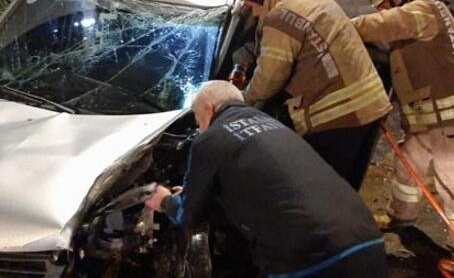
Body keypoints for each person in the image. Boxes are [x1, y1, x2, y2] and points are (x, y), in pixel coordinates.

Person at [144, 81, 386, 277]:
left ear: (209, 109)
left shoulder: (210, 139)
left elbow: (187, 215)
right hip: (368, 241)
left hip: (310, 257)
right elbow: (266, 189)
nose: (199, 129)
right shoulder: (275, 126)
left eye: (198, 121)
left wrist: (164, 201)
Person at [352, 0, 454, 248]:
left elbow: (385, 24)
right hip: (429, 117)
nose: (381, 12)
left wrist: (343, 26)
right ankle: (401, 217)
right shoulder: (427, 10)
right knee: (408, 164)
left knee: (452, 180)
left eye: (383, 6)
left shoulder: (425, 9)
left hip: (447, 118)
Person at [234, 0, 392, 190]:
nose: (254, 12)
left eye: (250, 5)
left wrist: (242, 100)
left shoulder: (280, 15)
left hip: (337, 116)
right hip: (370, 104)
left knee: (322, 191)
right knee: (346, 190)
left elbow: (270, 77)